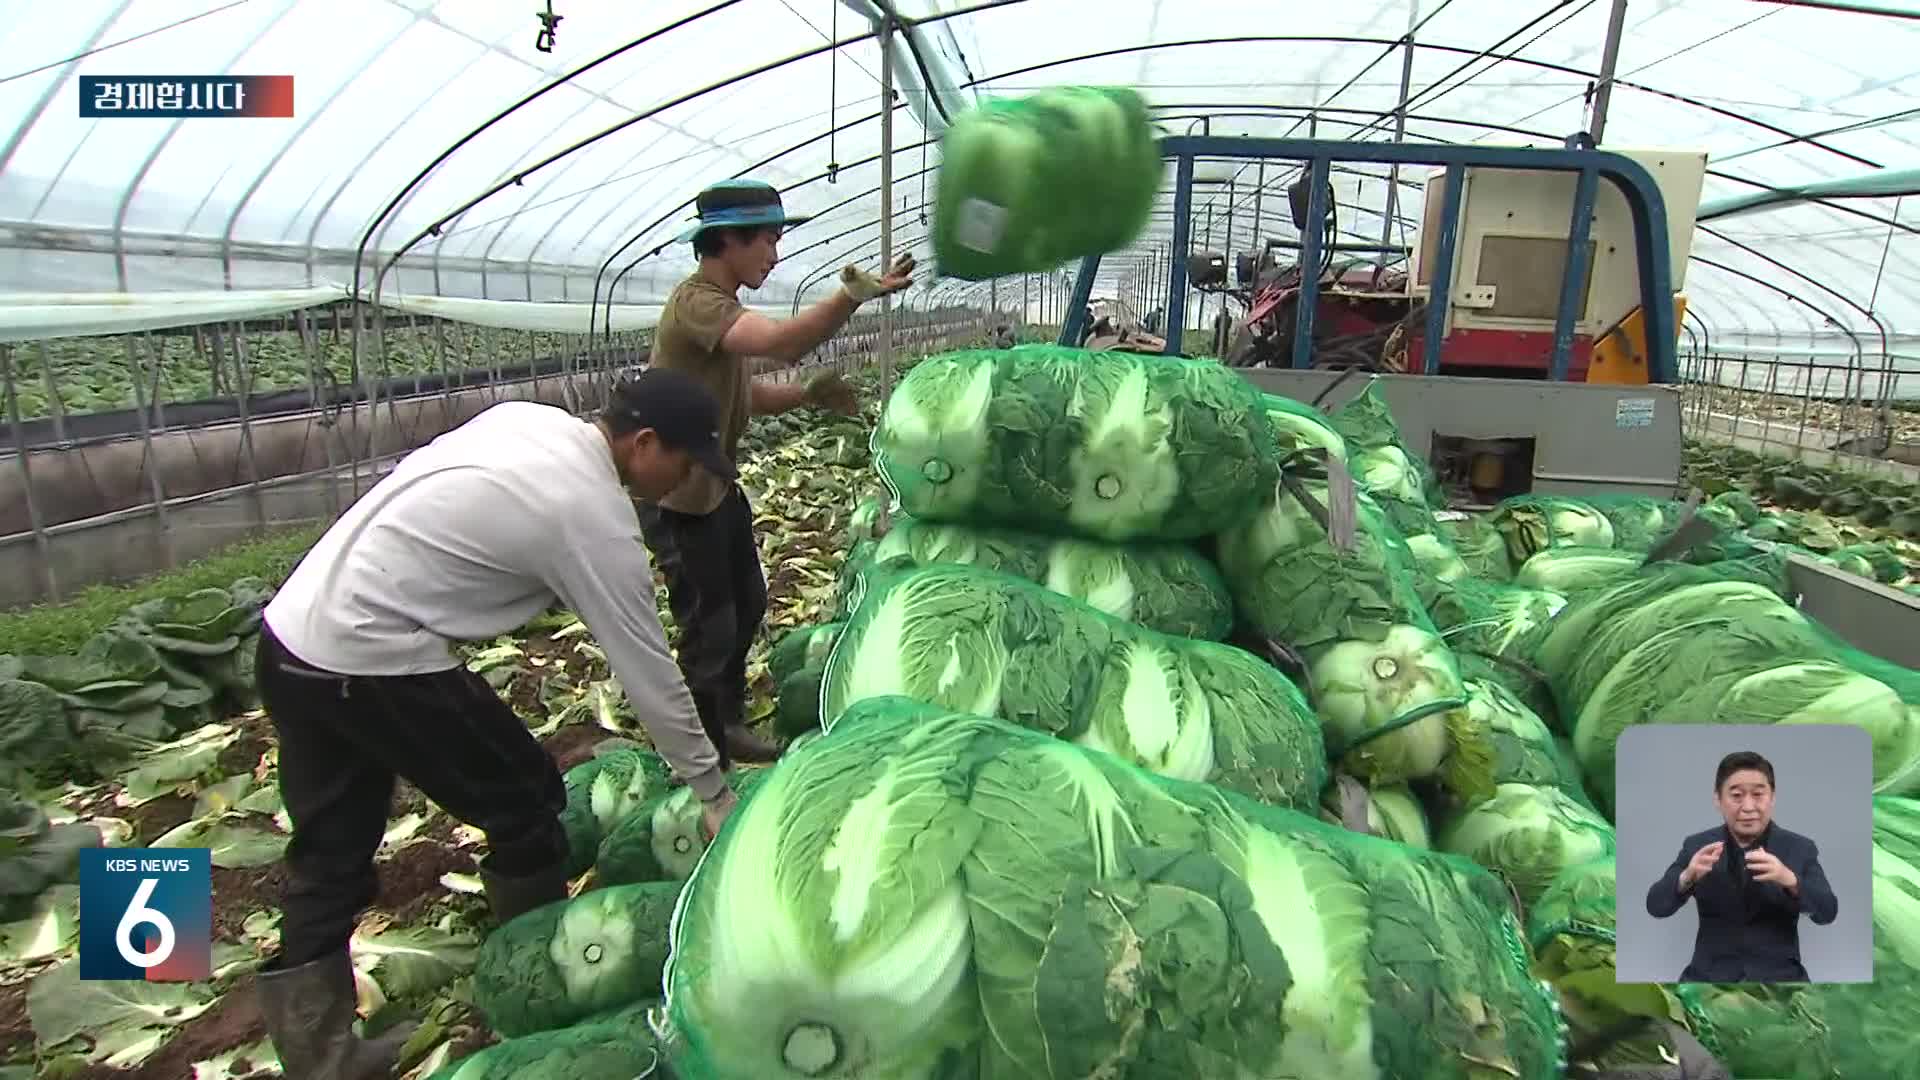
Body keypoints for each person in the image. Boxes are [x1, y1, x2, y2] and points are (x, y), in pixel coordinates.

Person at [250, 369, 741, 1078]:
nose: (688, 480)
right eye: (687, 462)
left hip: (293, 639)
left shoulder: (532, 422)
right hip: (370, 659)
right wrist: (712, 791)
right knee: (527, 804)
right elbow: (651, 676)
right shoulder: (589, 515)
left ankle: (320, 1057)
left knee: (330, 851)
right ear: (644, 442)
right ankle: (535, 979)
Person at [637, 178, 914, 769]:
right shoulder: (698, 304)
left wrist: (807, 396)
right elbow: (784, 344)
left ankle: (724, 718)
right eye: (767, 239)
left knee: (748, 602)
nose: (775, 253)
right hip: (676, 494)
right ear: (727, 241)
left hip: (713, 487)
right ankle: (702, 749)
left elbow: (746, 396)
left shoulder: (719, 314)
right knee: (709, 621)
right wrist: (849, 297)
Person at [1646, 750, 1839, 983]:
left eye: (1758, 794)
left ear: (1773, 797)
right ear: (1718, 799)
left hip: (1781, 983)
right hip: (1708, 980)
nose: (1748, 807)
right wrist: (1687, 876)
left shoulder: (1799, 848)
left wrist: (1790, 880)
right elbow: (1656, 906)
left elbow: (1827, 912)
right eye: (1736, 795)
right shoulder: (1697, 846)